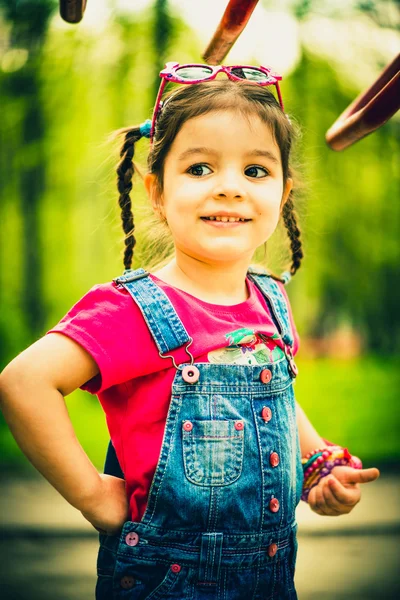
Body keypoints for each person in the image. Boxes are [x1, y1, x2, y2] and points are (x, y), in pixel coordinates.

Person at [0, 62, 380, 600]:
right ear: (156, 191)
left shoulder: (270, 299)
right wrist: (91, 495)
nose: (229, 188)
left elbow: (273, 395)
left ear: (284, 192)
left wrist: (319, 463)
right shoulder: (133, 310)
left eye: (256, 171)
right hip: (168, 584)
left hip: (270, 581)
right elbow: (23, 382)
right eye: (200, 169)